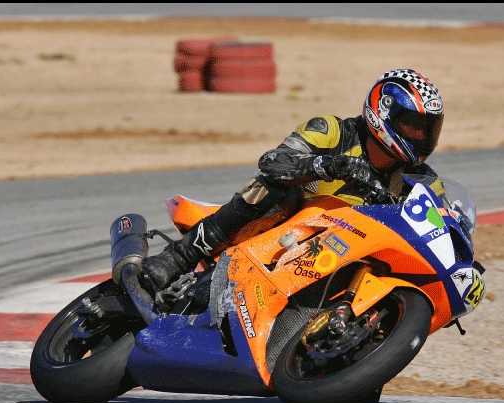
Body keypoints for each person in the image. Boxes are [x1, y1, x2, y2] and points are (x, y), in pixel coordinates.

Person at [140, 68, 445, 293]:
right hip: (285, 232)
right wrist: (330, 165)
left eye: (428, 128)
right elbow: (273, 162)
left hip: (343, 260)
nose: (422, 136)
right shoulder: (332, 131)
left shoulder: (421, 181)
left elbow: (443, 226)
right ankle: (179, 258)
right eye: (414, 125)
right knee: (274, 189)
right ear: (384, 112)